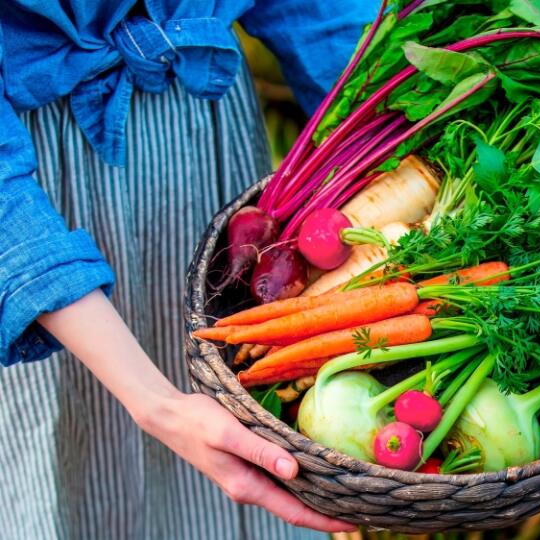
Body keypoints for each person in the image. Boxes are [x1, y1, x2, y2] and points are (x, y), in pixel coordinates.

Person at [0, 1, 379, 538]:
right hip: (38, 196)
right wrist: (156, 404)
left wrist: (393, 138)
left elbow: (318, 13)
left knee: (240, 417)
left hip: (205, 125)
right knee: (78, 467)